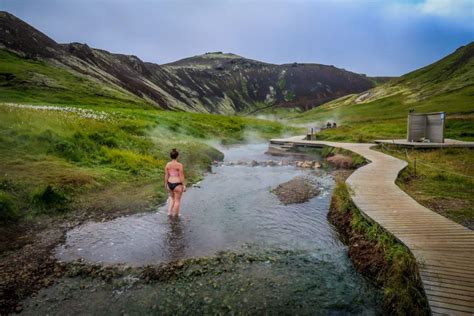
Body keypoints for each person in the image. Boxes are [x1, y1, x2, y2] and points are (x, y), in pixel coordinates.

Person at [164, 148, 186, 216]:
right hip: (177, 184)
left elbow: (166, 175)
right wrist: (184, 185)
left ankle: (169, 213)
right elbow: (181, 176)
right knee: (177, 201)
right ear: (177, 156)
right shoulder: (179, 165)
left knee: (172, 198)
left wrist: (165, 184)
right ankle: (176, 216)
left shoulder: (167, 164)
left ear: (170, 156)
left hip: (169, 183)